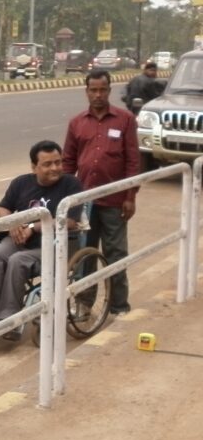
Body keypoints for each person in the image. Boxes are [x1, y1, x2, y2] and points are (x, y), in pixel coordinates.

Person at [0, 141, 83, 339]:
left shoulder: (71, 184)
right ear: (34, 167)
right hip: (19, 240)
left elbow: (69, 221)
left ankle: (8, 319)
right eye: (47, 164)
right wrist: (12, 223)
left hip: (54, 244)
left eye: (58, 162)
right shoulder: (21, 183)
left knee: (18, 261)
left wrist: (33, 227)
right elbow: (1, 209)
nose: (55, 168)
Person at [62, 69, 139, 316]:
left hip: (115, 201)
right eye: (93, 90)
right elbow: (68, 163)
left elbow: (133, 162)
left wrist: (130, 196)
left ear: (109, 90)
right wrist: (64, 198)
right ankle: (85, 303)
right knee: (85, 255)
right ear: (86, 92)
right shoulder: (76, 123)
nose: (97, 94)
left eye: (102, 89)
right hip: (84, 202)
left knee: (116, 253)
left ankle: (118, 306)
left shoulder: (125, 119)